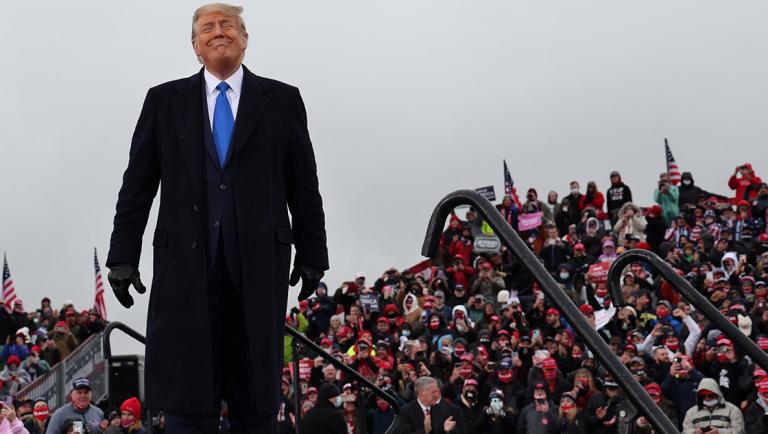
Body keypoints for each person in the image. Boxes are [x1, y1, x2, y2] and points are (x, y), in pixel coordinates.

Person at [106, 3, 328, 433]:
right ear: (195, 45)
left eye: (228, 24)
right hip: (185, 268)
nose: (218, 32)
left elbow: (304, 183)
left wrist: (313, 251)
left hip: (259, 264)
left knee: (257, 399)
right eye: (207, 27)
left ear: (244, 39)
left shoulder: (282, 100)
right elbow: (137, 186)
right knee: (188, 398)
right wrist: (122, 255)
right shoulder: (163, 100)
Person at [395, 376, 466, 434]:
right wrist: (425, 431)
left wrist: (447, 431)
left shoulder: (443, 409)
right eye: (433, 392)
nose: (437, 395)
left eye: (438, 391)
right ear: (421, 392)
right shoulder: (406, 411)